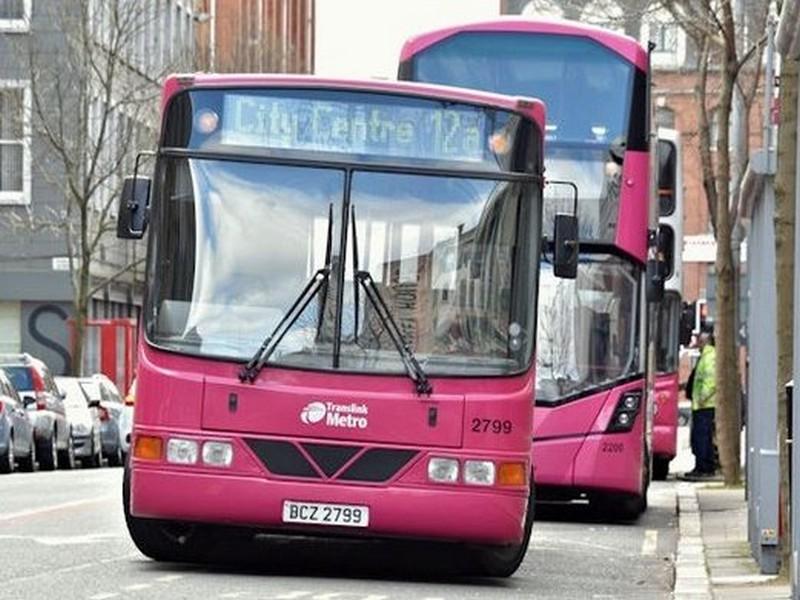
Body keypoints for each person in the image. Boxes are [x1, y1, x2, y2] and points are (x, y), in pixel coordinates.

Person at [684, 324, 717, 479]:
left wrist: (702, 398)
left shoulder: (709, 357)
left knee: (701, 437)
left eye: (700, 338)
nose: (697, 341)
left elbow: (710, 380)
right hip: (702, 404)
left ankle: (704, 467)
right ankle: (702, 466)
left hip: (705, 405)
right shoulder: (705, 356)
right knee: (700, 436)